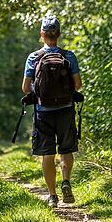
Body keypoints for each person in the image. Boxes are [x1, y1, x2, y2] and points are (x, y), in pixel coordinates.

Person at [22, 16, 83, 207]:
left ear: (42, 34)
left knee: (47, 154)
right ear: (59, 34)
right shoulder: (69, 56)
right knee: (66, 150)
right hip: (65, 110)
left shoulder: (34, 57)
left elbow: (25, 87)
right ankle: (66, 181)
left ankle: (52, 196)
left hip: (43, 112)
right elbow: (78, 85)